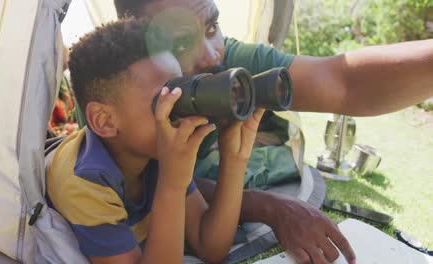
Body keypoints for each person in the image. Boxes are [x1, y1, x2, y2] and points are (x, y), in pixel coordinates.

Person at [113, 0, 433, 263]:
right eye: (181, 42)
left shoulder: (232, 61)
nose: (212, 55)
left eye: (212, 28)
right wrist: (269, 207)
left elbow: (341, 82)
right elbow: (153, 181)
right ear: (133, 40)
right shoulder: (114, 97)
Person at [46, 17, 265, 264]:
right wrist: (172, 184)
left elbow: (210, 246)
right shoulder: (83, 181)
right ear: (104, 121)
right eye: (164, 100)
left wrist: (234, 159)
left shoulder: (154, 149)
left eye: (181, 89)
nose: (181, 109)